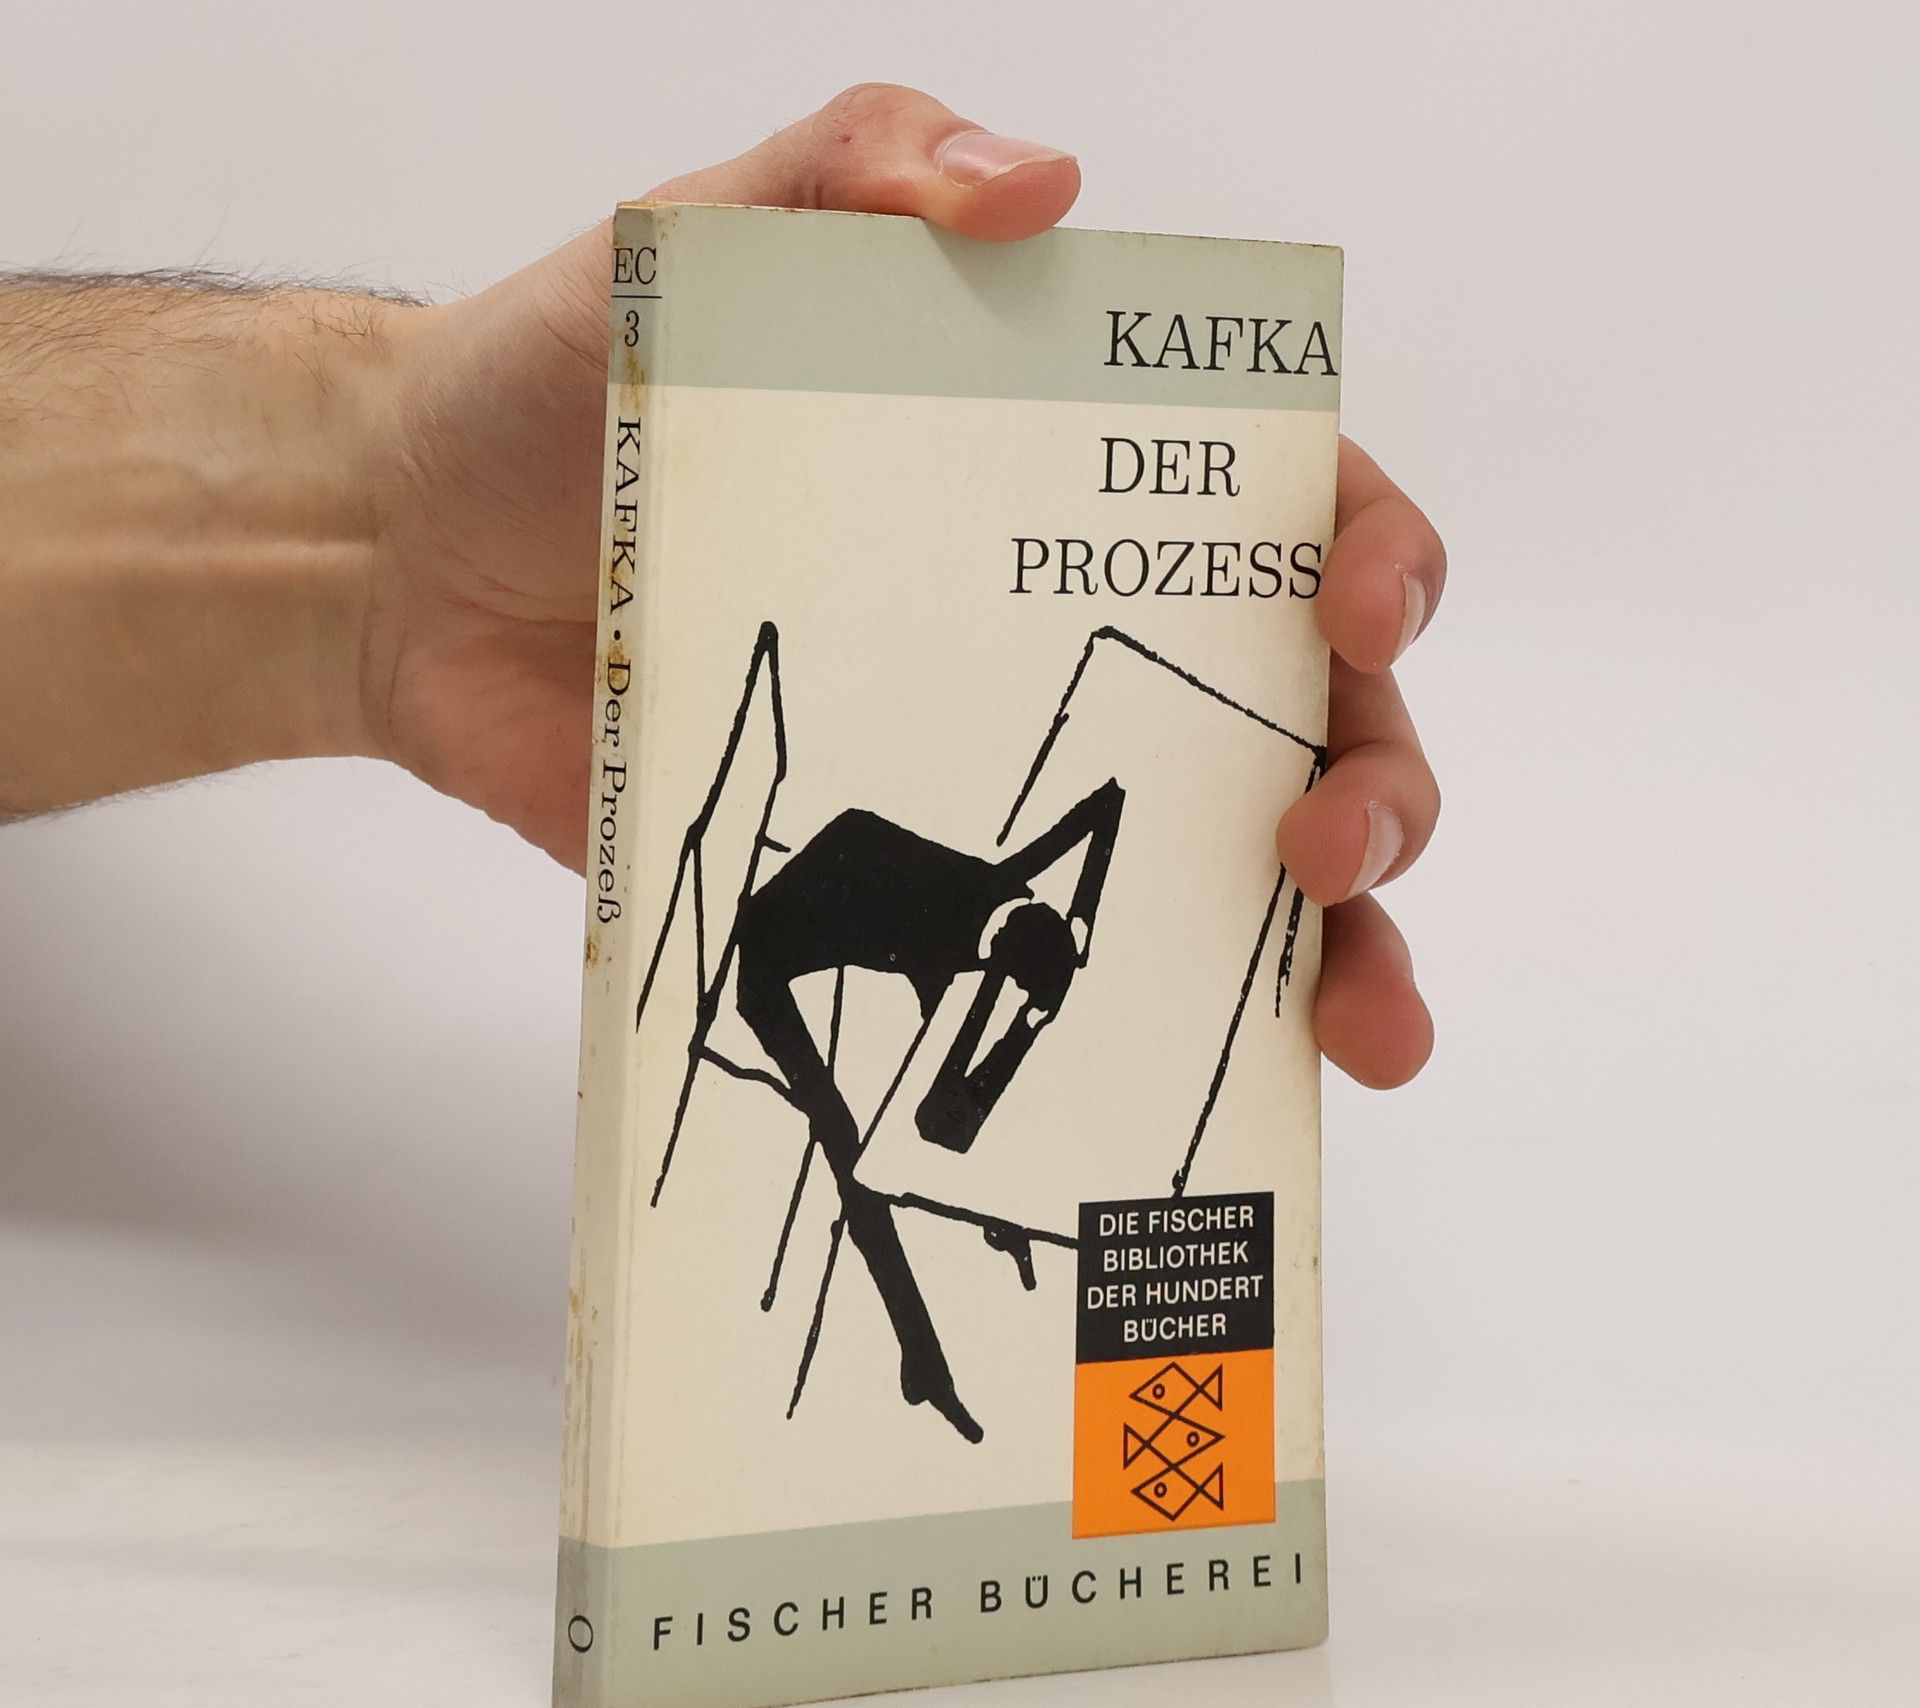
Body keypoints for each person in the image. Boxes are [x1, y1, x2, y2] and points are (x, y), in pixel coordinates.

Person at [0, 84, 1444, 1097]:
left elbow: (1088, 826)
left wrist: (391, 521)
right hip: (790, 944)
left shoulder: (984, 935)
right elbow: (1070, 843)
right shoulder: (961, 954)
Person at [734, 779, 1126, 1443]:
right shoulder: (946, 963)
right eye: (1008, 991)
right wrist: (1023, 1031)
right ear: (998, 968)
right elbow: (940, 1119)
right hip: (770, 947)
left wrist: (1082, 916)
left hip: (860, 860)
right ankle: (921, 1353)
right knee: (848, 1146)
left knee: (890, 1146)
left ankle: (927, 1346)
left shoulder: (1006, 888)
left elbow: (1106, 802)